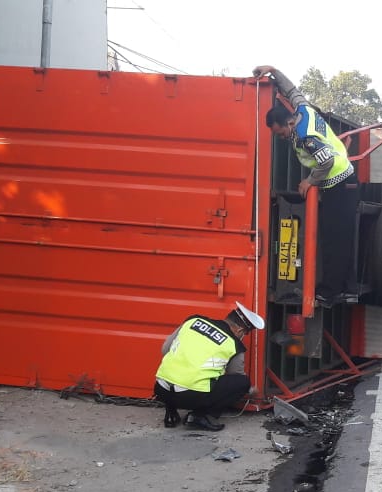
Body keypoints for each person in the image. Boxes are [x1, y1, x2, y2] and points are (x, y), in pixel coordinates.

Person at [252, 65, 359, 308]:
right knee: (342, 237)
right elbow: (293, 91)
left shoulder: (303, 136)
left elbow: (327, 160)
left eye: (281, 133)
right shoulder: (304, 110)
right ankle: (347, 289)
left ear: (289, 123)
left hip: (340, 182)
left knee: (333, 239)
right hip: (345, 182)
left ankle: (329, 292)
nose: (282, 138)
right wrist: (274, 71)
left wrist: (310, 181)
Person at [153, 302, 266, 431]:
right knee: (242, 383)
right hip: (189, 398)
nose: (242, 337)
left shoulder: (193, 321)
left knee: (175, 374)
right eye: (244, 334)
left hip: (161, 390)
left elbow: (165, 349)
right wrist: (250, 391)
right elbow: (235, 375)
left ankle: (170, 413)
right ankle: (198, 416)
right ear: (240, 330)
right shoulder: (234, 343)